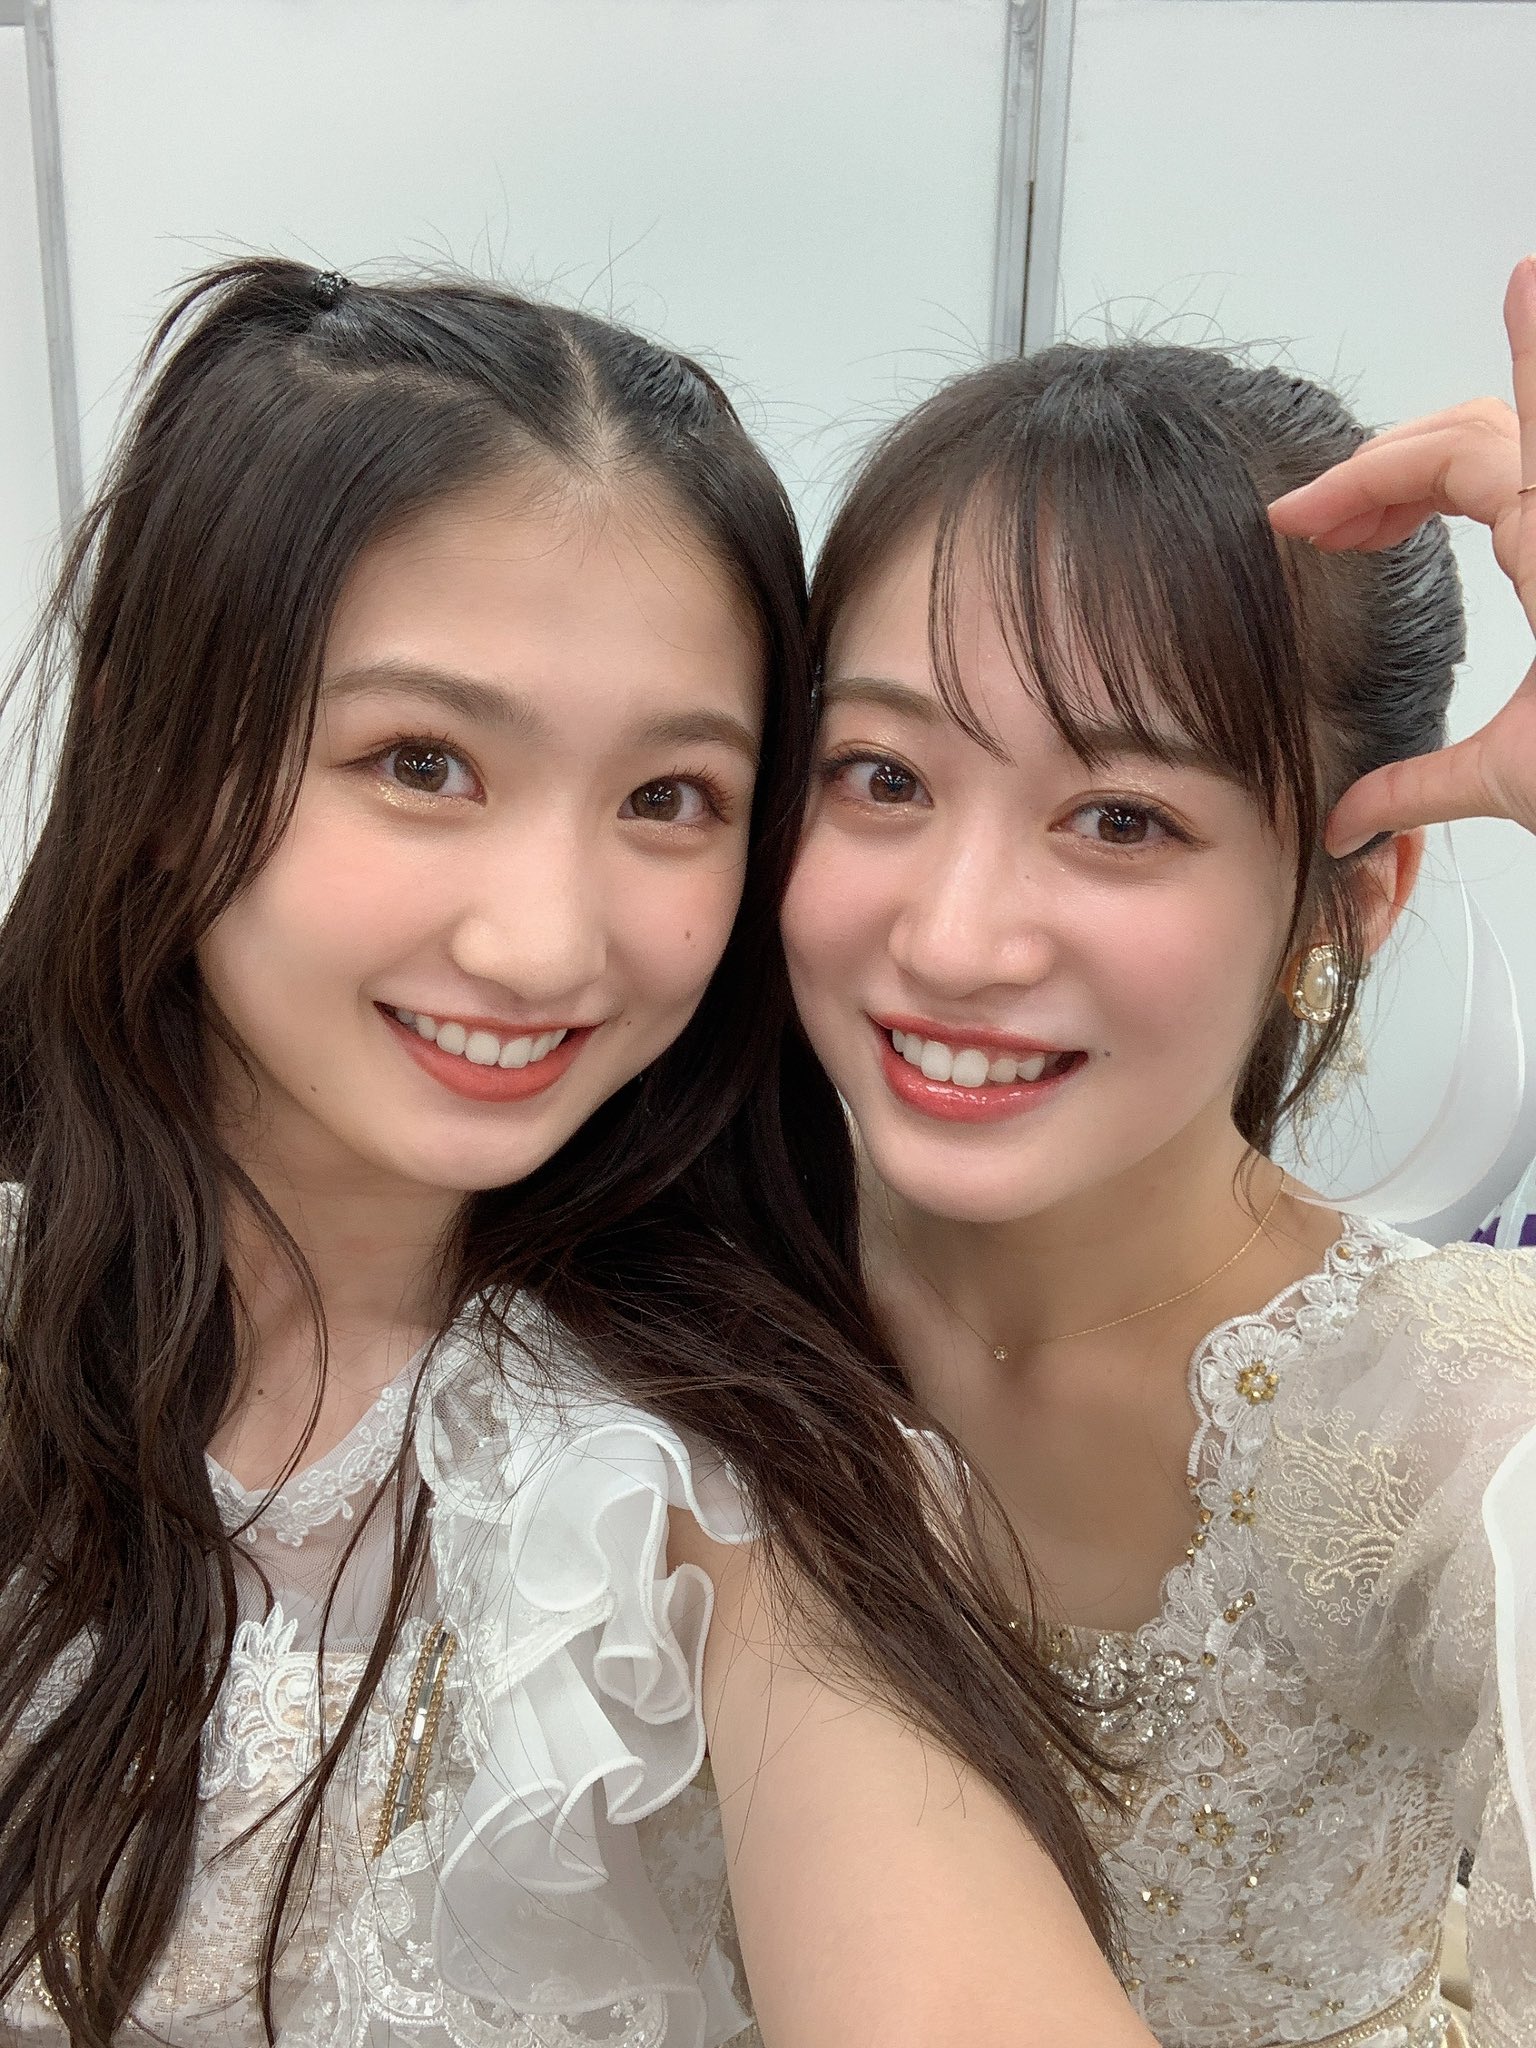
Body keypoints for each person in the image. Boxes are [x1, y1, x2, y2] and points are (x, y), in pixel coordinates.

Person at [0, 259, 1157, 2048]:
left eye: (667, 799)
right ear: (167, 774)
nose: (545, 944)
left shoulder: (708, 1476)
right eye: (422, 763)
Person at [781, 259, 1536, 2044]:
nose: (955, 937)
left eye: (1120, 818)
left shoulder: (1451, 1419)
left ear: (1347, 900)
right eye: (885, 776)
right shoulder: (669, 1266)